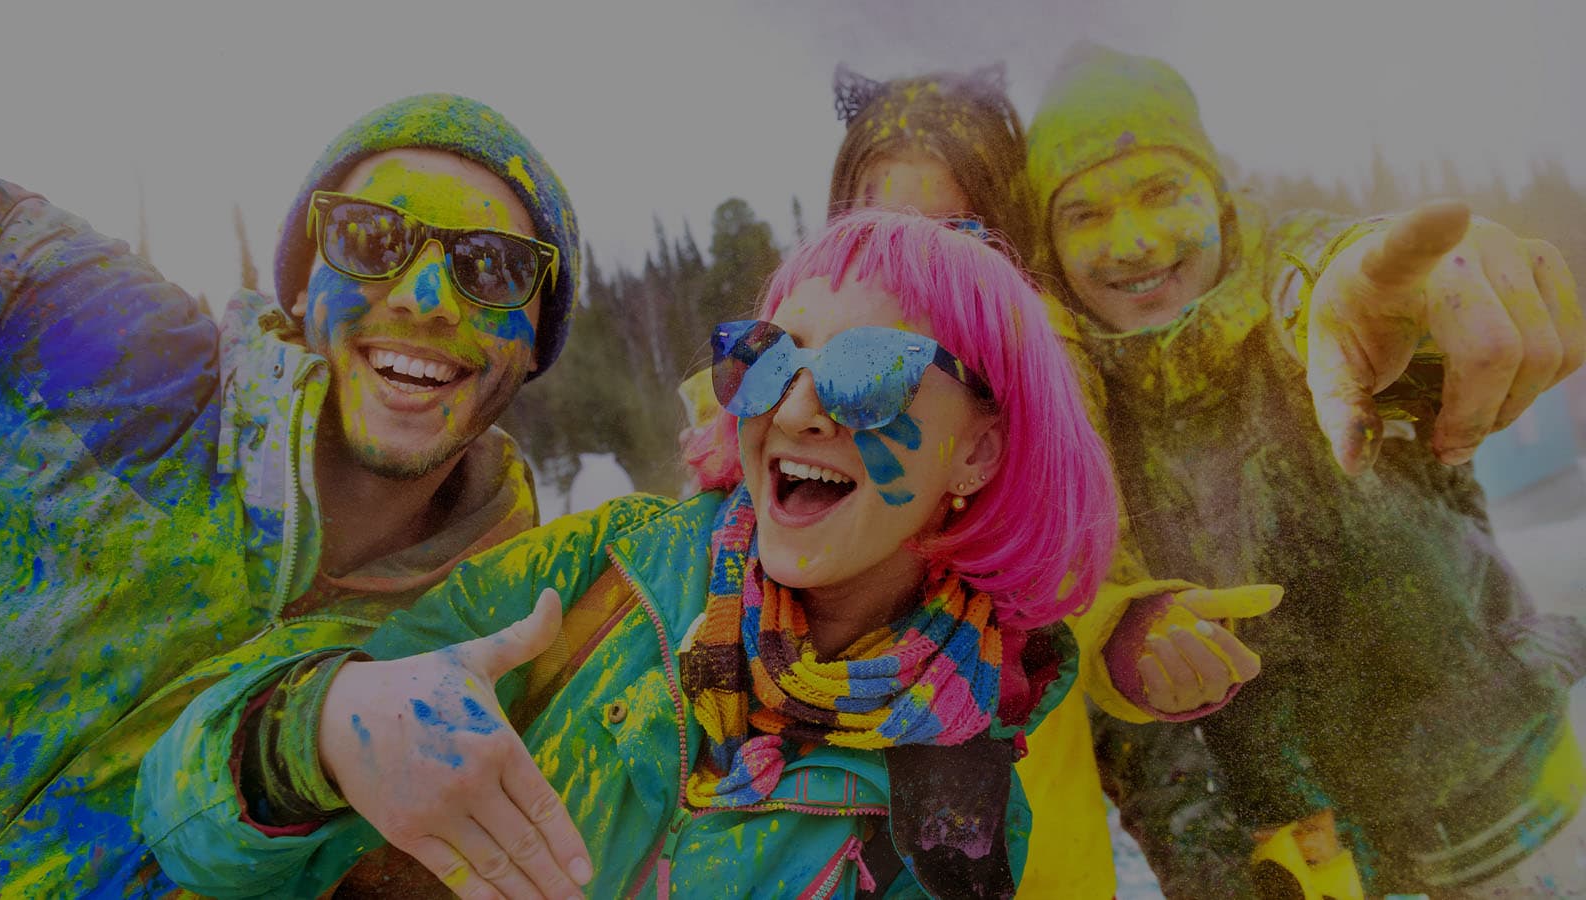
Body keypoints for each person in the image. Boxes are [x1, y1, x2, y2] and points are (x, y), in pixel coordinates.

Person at [138, 209, 1120, 899]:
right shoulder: (603, 576)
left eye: (868, 372)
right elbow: (182, 812)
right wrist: (314, 732)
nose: (796, 405)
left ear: (980, 448)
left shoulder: (958, 806)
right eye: (771, 354)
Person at [1026, 42, 1586, 896]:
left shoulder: (1300, 304)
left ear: (1216, 191)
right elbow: (1107, 678)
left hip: (1504, 807)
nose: (1130, 240)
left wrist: (1414, 301)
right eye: (1084, 214)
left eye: (1159, 191)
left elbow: (1341, 281)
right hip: (1319, 867)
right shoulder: (1072, 412)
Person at [0, 93, 579, 896]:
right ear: (302, 287)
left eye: (494, 268)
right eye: (370, 240)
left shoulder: (476, 654)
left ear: (537, 340)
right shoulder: (123, 354)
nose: (426, 296)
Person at [813, 62, 1280, 899]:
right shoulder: (774, 414)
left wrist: (1132, 636)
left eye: (956, 235)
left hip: (1044, 860)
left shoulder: (1040, 408)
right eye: (882, 227)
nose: (916, 268)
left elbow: (1068, 592)